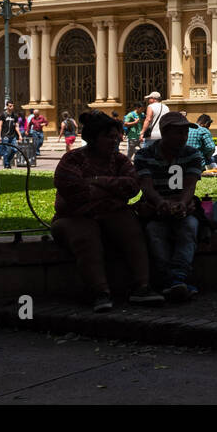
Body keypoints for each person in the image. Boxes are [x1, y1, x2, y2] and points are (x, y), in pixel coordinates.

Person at [52, 110, 166, 313]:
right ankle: (100, 292)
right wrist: (112, 193)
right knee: (86, 236)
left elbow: (132, 187)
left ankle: (142, 287)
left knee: (131, 228)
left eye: (116, 137)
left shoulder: (121, 161)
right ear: (93, 138)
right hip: (71, 217)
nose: (115, 141)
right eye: (109, 137)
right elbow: (74, 192)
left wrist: (97, 182)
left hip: (110, 213)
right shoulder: (72, 159)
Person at [134, 110, 204, 301]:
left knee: (189, 227)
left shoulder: (192, 154)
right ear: (165, 133)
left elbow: (190, 185)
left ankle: (177, 277)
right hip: (154, 209)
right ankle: (171, 280)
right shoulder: (144, 155)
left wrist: (182, 203)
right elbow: (146, 186)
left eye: (185, 133)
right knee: (154, 231)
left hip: (183, 208)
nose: (183, 138)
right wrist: (160, 203)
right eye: (178, 133)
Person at [0, 102, 21, 167]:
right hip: (5, 135)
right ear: (7, 106)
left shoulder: (15, 115)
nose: (11, 107)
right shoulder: (3, 114)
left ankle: (7, 161)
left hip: (13, 135)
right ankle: (6, 165)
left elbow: (16, 126)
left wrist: (20, 135)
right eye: (10, 106)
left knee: (15, 149)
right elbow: (0, 126)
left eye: (12, 106)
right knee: (6, 150)